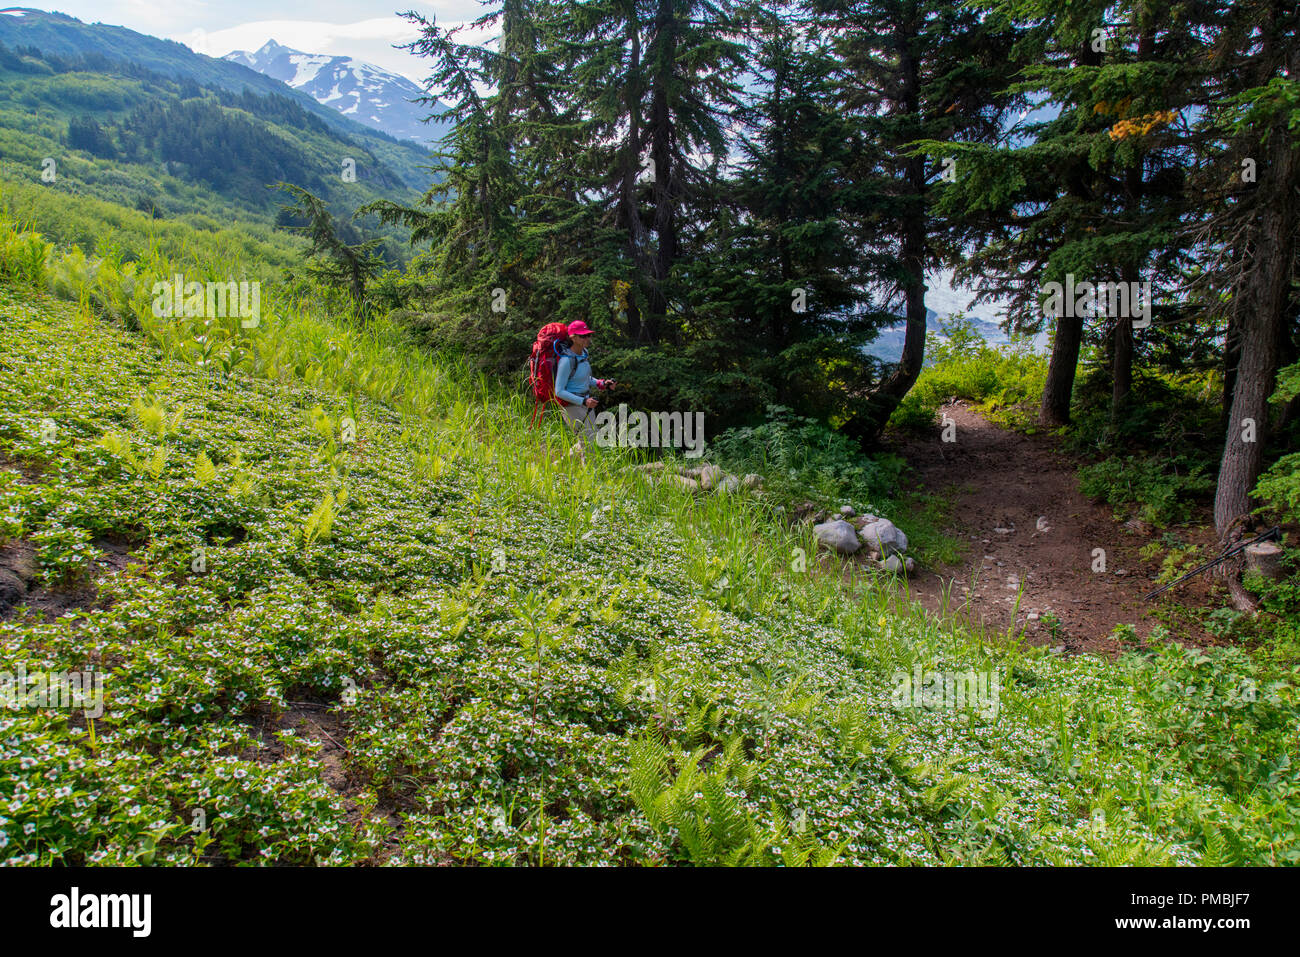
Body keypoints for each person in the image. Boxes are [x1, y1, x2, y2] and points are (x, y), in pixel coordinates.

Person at [552, 319, 613, 443]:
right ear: (573, 338)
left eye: (588, 335)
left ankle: (557, 463)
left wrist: (601, 383)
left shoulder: (584, 353)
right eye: (583, 336)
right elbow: (559, 391)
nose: (587, 339)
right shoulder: (566, 361)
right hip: (571, 406)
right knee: (589, 442)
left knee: (589, 441)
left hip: (586, 403)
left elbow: (583, 378)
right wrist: (583, 401)